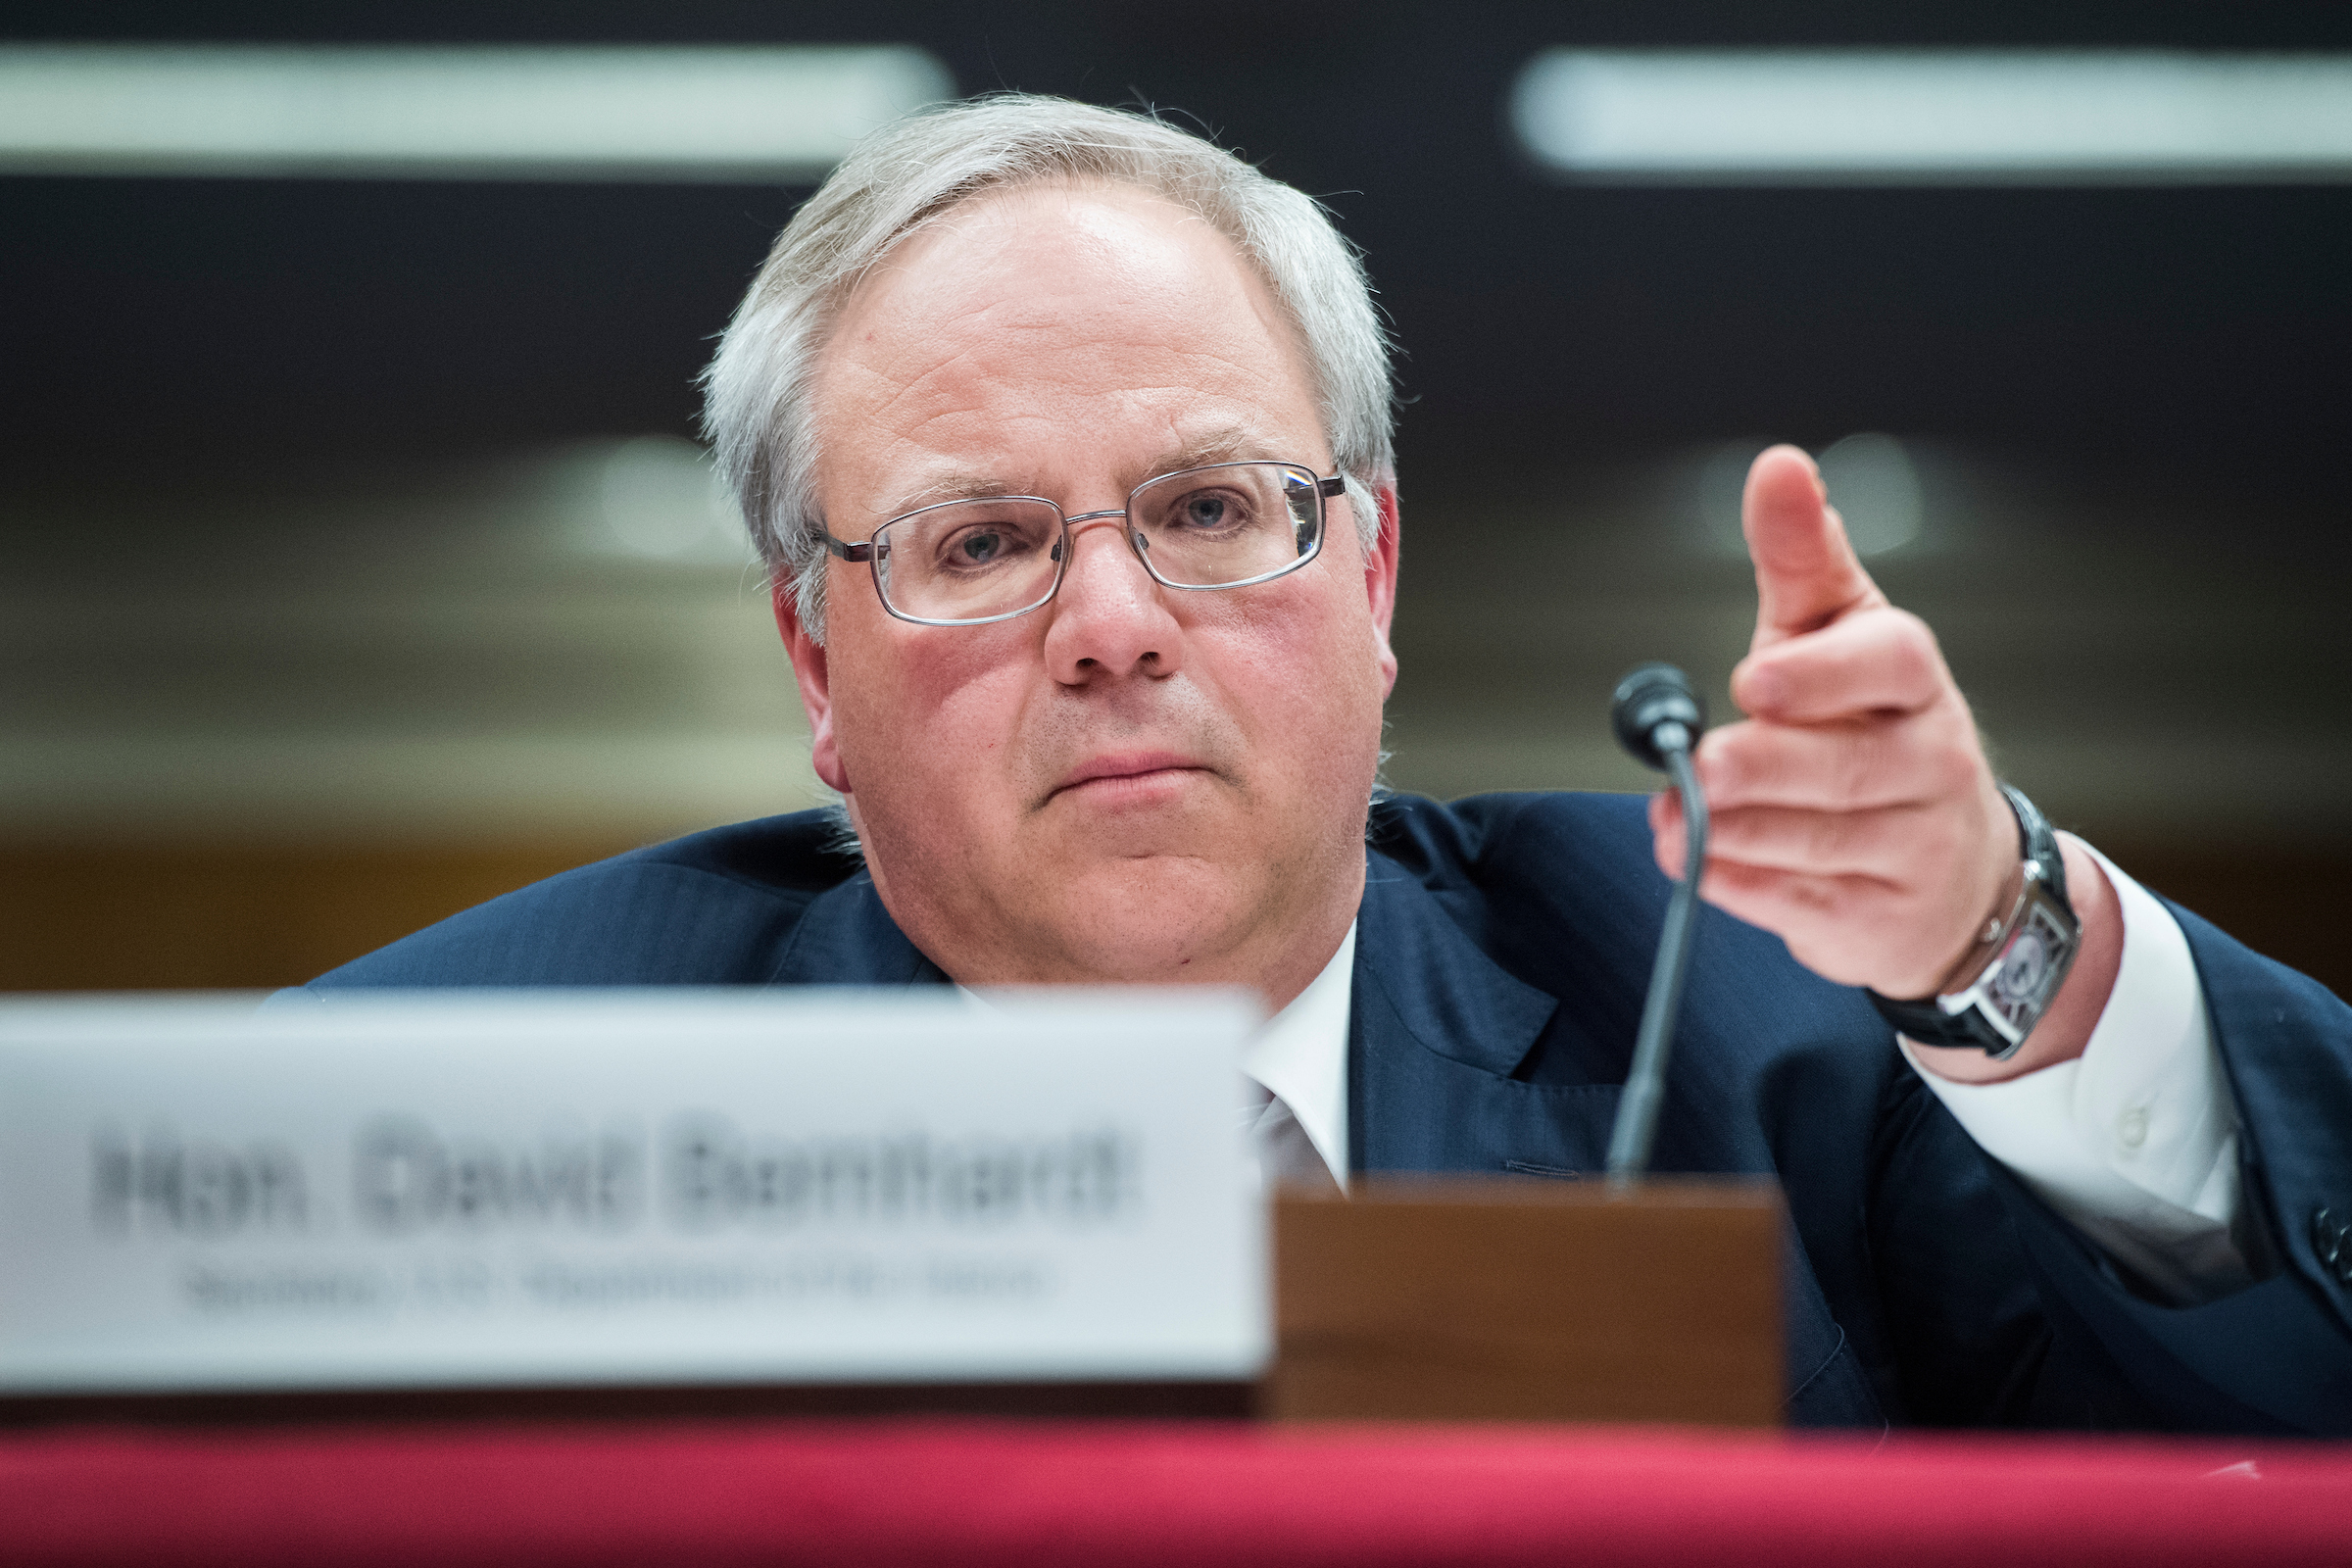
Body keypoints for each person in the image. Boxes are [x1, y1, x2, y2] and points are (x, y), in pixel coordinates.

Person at [304, 95, 2352, 1433]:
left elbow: (2268, 1410)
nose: (1111, 621)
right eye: (985, 542)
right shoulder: (496, 1103)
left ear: (1370, 570)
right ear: (813, 660)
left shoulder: (1761, 1008)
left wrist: (1999, 952)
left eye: (1208, 509)